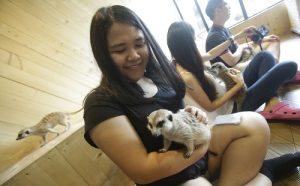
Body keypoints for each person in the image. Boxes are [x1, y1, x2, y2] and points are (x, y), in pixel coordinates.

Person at [84, 5, 300, 186]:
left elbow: (180, 111)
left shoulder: (160, 74)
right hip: (175, 171)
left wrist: (191, 112)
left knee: (256, 122)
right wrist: (201, 143)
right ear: (104, 54)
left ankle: (249, 173)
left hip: (197, 150)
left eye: (139, 44)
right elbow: (144, 170)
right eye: (120, 49)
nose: (134, 55)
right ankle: (266, 171)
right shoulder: (101, 104)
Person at [167, 21, 300, 121]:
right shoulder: (186, 76)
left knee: (264, 56)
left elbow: (212, 53)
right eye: (193, 39)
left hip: (230, 91)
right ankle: (273, 96)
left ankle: (272, 100)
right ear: (186, 44)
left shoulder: (186, 59)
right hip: (235, 108)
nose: (195, 42)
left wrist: (237, 36)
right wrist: (237, 85)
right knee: (290, 66)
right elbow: (211, 107)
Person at [205, 0, 300, 84]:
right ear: (217, 10)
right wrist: (243, 47)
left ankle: (275, 74)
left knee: (273, 40)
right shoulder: (214, 37)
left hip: (242, 59)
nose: (229, 7)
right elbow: (231, 61)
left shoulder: (223, 29)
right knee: (265, 55)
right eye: (226, 4)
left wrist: (262, 40)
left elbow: (236, 48)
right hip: (234, 72)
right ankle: (279, 75)